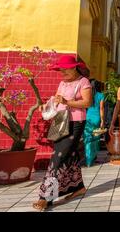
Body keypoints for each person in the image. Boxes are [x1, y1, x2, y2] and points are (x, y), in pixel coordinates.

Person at [33, 55, 92, 211]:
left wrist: (68, 102)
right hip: (59, 121)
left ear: (74, 68)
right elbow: (56, 100)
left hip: (76, 123)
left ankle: (45, 197)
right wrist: (46, 106)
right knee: (69, 155)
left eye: (65, 69)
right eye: (61, 69)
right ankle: (78, 187)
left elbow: (87, 102)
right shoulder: (62, 82)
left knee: (58, 158)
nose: (62, 72)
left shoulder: (83, 82)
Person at [83, 79, 105, 167]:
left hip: (88, 118)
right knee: (96, 138)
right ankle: (93, 157)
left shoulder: (87, 95)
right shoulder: (101, 95)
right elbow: (101, 108)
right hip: (97, 118)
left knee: (87, 138)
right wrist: (102, 120)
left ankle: (88, 160)